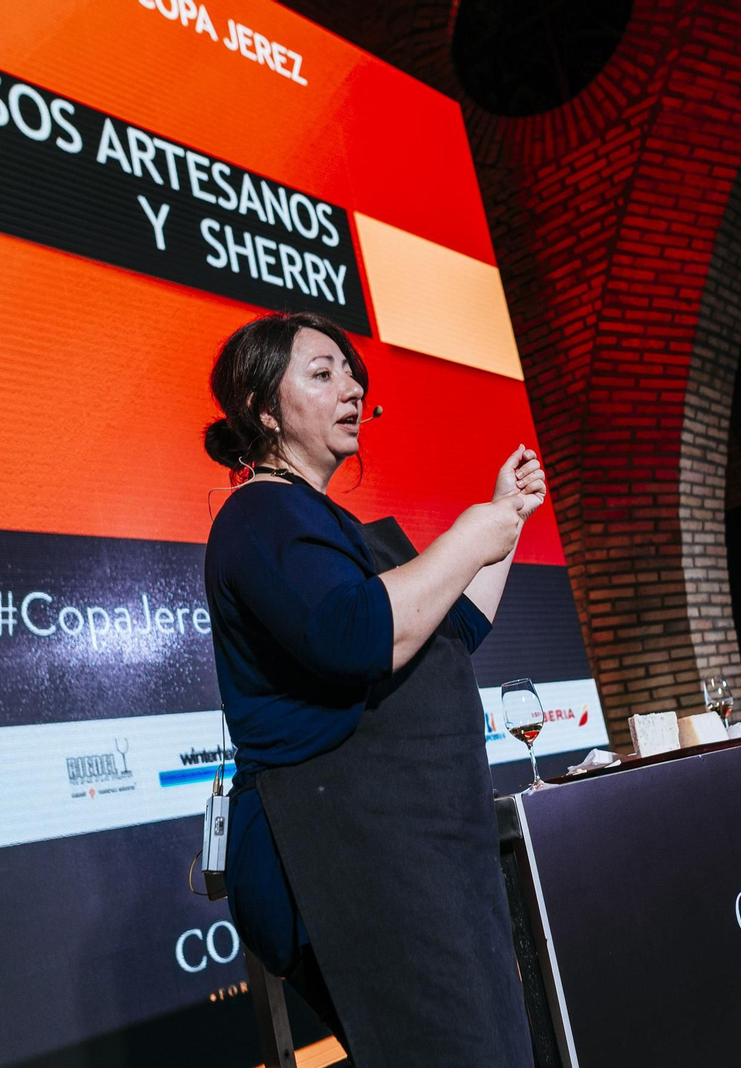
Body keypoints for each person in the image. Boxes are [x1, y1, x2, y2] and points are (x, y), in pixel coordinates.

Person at [201, 311, 542, 1066]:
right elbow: (360, 635)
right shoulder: (261, 513)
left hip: (406, 850)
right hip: (341, 855)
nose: (351, 386)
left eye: (352, 373)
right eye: (322, 373)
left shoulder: (321, 519)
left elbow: (449, 632)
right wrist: (467, 535)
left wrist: (506, 525)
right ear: (264, 408)